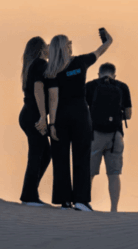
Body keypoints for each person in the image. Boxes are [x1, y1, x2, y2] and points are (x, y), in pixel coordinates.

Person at [45, 28, 114, 211]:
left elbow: (53, 98)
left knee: (60, 158)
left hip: (60, 116)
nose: (71, 44)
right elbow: (99, 52)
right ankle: (81, 201)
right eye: (69, 42)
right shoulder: (81, 62)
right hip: (81, 114)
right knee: (81, 157)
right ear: (65, 47)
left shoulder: (52, 70)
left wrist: (51, 123)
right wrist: (108, 41)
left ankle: (64, 201)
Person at [86, 63, 132, 212]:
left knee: (90, 173)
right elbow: (129, 115)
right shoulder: (122, 87)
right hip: (115, 136)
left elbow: (83, 108)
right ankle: (113, 209)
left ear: (98, 74)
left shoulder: (90, 86)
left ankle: (83, 203)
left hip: (94, 135)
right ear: (115, 74)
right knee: (114, 174)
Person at [18, 36, 51, 205]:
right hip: (33, 115)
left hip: (28, 114)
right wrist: (43, 116)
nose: (48, 49)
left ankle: (30, 192)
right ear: (41, 49)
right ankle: (29, 196)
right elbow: (39, 89)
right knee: (37, 155)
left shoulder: (31, 65)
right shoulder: (39, 64)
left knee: (44, 153)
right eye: (46, 47)